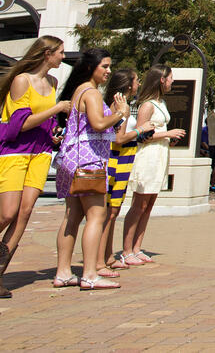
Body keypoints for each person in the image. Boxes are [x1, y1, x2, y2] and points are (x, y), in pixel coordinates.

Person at [0, 36, 72, 298]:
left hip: (40, 153)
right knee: (7, 214)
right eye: (60, 52)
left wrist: (53, 132)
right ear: (47, 54)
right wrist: (56, 108)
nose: (63, 57)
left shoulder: (53, 82)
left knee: (24, 213)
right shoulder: (22, 81)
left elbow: (41, 122)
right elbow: (19, 125)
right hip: (13, 154)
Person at [52, 48, 129, 290]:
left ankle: (63, 272)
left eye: (109, 66)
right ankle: (89, 274)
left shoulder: (78, 91)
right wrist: (119, 114)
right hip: (89, 161)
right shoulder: (92, 93)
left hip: (70, 159)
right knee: (97, 216)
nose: (108, 71)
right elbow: (97, 124)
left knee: (72, 216)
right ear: (90, 68)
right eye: (104, 66)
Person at [120, 66, 185, 265]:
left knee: (149, 205)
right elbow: (141, 134)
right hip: (147, 156)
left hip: (160, 155)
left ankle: (138, 247)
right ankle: (127, 249)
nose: (172, 82)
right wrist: (167, 134)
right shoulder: (147, 105)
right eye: (170, 78)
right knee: (139, 204)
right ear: (161, 80)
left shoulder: (161, 103)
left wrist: (168, 139)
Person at [99, 67, 141, 275]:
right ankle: (100, 259)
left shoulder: (124, 104)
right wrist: (140, 131)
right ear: (127, 84)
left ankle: (107, 255)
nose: (139, 84)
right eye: (136, 80)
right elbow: (118, 137)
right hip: (115, 159)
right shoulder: (119, 104)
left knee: (113, 212)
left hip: (124, 160)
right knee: (108, 212)